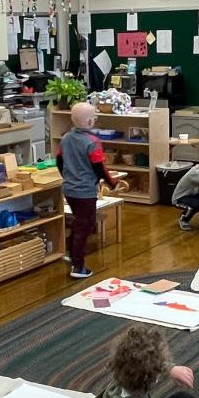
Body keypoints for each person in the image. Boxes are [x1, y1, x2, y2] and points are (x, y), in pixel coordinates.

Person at [56, 101, 121, 279]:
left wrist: (68, 178)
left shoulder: (66, 138)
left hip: (69, 189)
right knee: (86, 225)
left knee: (79, 222)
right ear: (90, 122)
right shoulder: (93, 141)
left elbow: (59, 162)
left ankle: (70, 251)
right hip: (85, 191)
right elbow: (99, 166)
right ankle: (78, 267)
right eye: (94, 118)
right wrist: (112, 183)